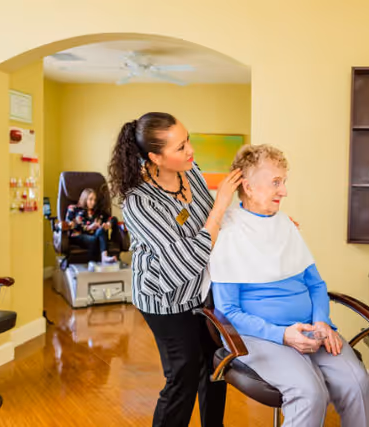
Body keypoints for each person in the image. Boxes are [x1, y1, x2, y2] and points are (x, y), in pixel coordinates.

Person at [210, 144, 369, 427]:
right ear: (248, 187)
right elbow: (228, 310)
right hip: (259, 336)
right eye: (276, 182)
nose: (284, 191)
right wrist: (283, 335)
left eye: (284, 182)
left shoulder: (285, 225)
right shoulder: (227, 232)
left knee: (358, 383)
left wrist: (322, 321)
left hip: (311, 329)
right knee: (309, 393)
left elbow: (316, 284)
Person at [107, 112, 242, 427]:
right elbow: (185, 260)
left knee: (214, 364)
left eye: (188, 139)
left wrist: (266, 225)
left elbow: (211, 222)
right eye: (180, 147)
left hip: (202, 288)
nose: (191, 151)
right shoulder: (139, 202)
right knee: (182, 375)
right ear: (155, 157)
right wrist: (221, 203)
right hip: (165, 297)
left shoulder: (190, 170)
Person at [64, 188, 117, 264]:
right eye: (90, 199)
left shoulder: (98, 212)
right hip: (78, 235)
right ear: (84, 198)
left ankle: (104, 257)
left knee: (101, 231)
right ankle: (92, 262)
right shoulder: (73, 208)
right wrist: (88, 227)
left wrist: (108, 224)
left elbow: (113, 219)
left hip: (93, 235)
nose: (93, 202)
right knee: (94, 240)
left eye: (94, 200)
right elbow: (69, 224)